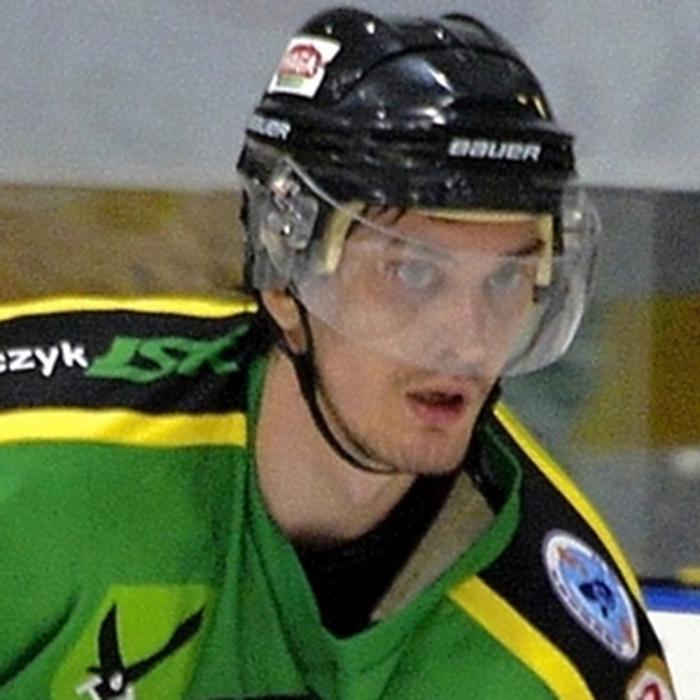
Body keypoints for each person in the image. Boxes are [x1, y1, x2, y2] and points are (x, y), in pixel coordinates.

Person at [0, 7, 675, 700]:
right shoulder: (29, 471)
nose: (469, 341)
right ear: (284, 275)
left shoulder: (565, 659)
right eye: (414, 272)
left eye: (506, 280)